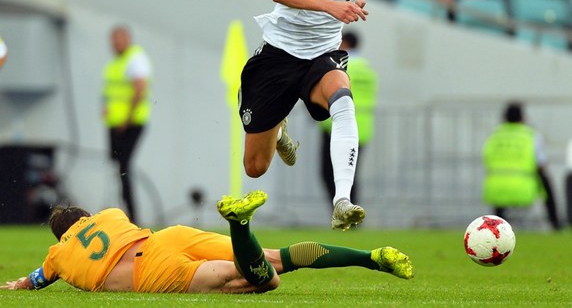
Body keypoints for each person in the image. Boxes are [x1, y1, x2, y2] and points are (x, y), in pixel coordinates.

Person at [238, 0, 382, 231]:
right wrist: (334, 7)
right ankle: (277, 127)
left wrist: (353, 2)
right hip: (280, 55)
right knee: (255, 167)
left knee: (344, 101)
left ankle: (342, 200)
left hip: (323, 53)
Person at [0, 191, 414, 293]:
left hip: (152, 270)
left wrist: (18, 284)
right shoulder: (110, 214)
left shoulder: (57, 255)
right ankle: (370, 258)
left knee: (263, 279)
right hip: (167, 238)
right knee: (273, 259)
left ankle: (240, 224)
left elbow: (35, 279)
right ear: (86, 218)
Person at [319, 31, 378, 205]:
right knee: (349, 175)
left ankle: (341, 212)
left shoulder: (338, 66)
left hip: (335, 127)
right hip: (362, 128)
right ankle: (349, 214)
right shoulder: (368, 70)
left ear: (343, 42)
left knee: (329, 174)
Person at [482, 102, 561, 230]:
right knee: (545, 181)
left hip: (495, 189)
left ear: (504, 117)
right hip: (523, 188)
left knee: (500, 187)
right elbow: (541, 163)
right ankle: (555, 223)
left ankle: (496, 226)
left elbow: (486, 158)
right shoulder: (530, 135)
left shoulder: (494, 135)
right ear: (523, 117)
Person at [102, 26, 152, 224]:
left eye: (119, 39)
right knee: (119, 168)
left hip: (130, 124)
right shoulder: (117, 63)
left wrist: (128, 118)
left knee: (124, 168)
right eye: (113, 39)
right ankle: (122, 214)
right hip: (115, 123)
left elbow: (139, 89)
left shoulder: (135, 58)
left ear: (128, 39)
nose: (115, 43)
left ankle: (132, 216)